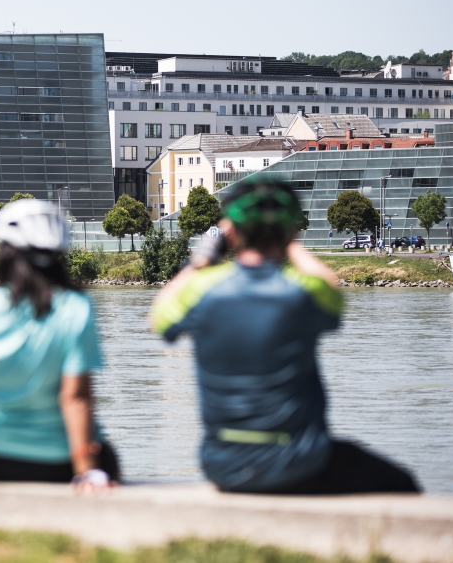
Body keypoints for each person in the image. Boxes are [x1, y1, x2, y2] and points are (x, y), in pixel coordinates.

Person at [149, 175, 420, 495]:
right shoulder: (301, 291)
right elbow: (331, 288)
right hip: (298, 460)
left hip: (222, 463)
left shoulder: (201, 289)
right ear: (291, 229)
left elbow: (158, 316)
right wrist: (291, 243)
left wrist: (202, 258)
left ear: (231, 231)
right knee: (402, 484)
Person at [0, 199, 119, 490]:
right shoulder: (75, 308)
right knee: (107, 455)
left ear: (5, 252)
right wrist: (84, 472)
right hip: (60, 463)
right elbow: (75, 398)